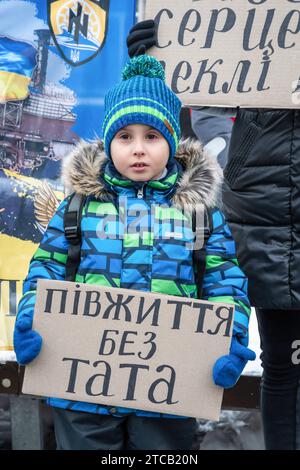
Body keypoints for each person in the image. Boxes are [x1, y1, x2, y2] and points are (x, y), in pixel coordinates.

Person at [13, 55, 255, 451]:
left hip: (169, 391)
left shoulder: (200, 212)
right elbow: (47, 267)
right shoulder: (79, 205)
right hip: (81, 391)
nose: (138, 149)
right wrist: (30, 316)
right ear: (109, 142)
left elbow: (223, 278)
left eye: (152, 136)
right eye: (125, 137)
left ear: (172, 141)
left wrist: (230, 338)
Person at [126, 20, 300, 450]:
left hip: (265, 209)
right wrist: (154, 65)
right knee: (286, 366)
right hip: (270, 214)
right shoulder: (249, 16)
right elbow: (201, 97)